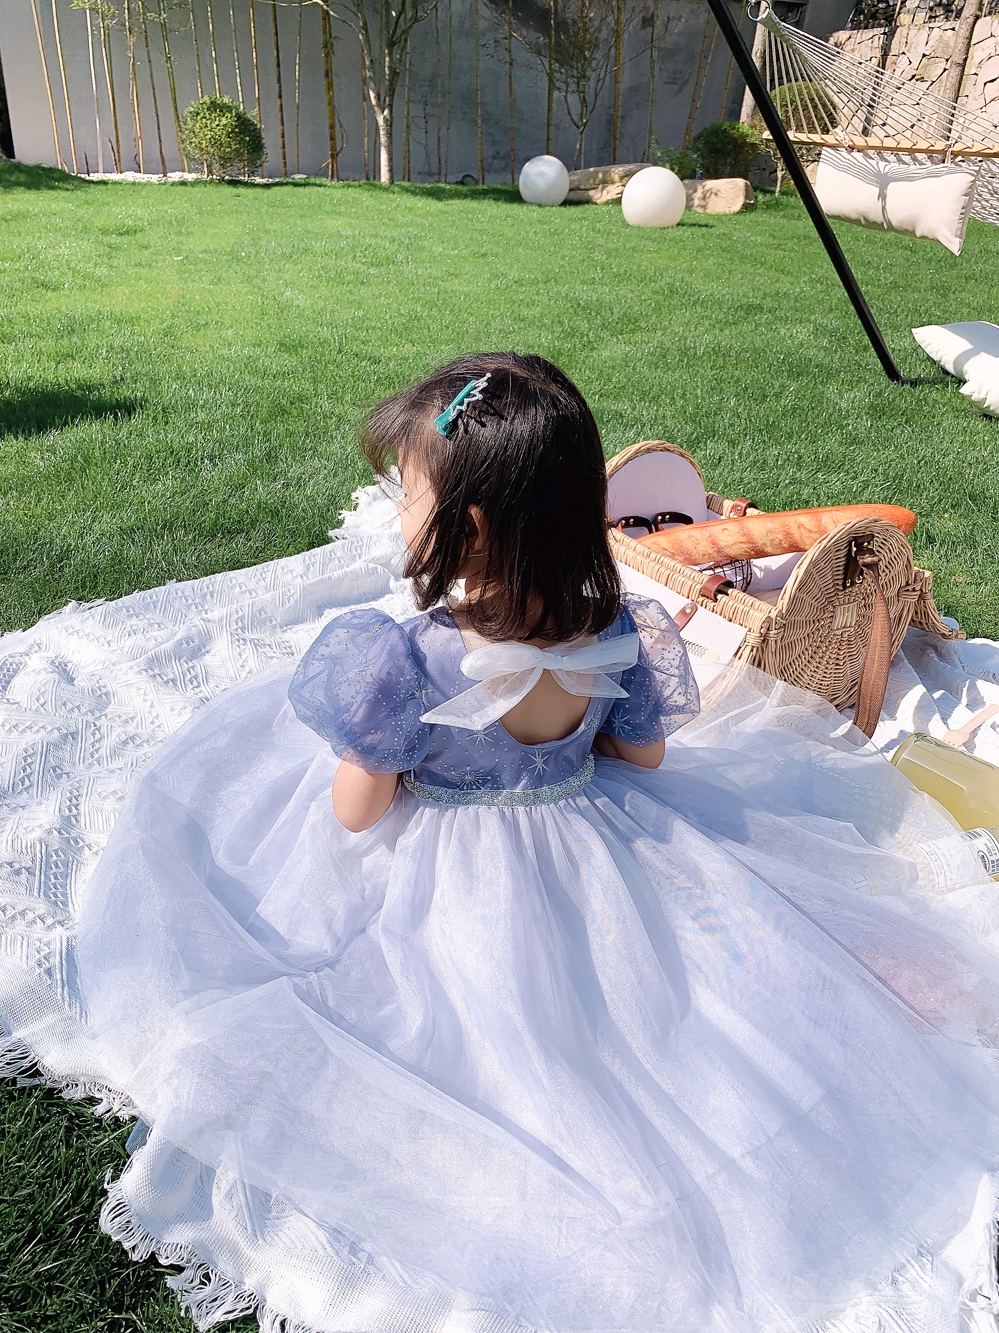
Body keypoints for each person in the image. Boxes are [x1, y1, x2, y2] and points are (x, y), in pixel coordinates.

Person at [77, 353, 999, 1333]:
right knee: (669, 1016)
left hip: (451, 887)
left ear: (468, 527)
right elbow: (642, 754)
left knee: (456, 1023)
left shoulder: (408, 657)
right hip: (596, 845)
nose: (398, 511)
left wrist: (388, 749)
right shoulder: (617, 626)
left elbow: (357, 809)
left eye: (407, 495)